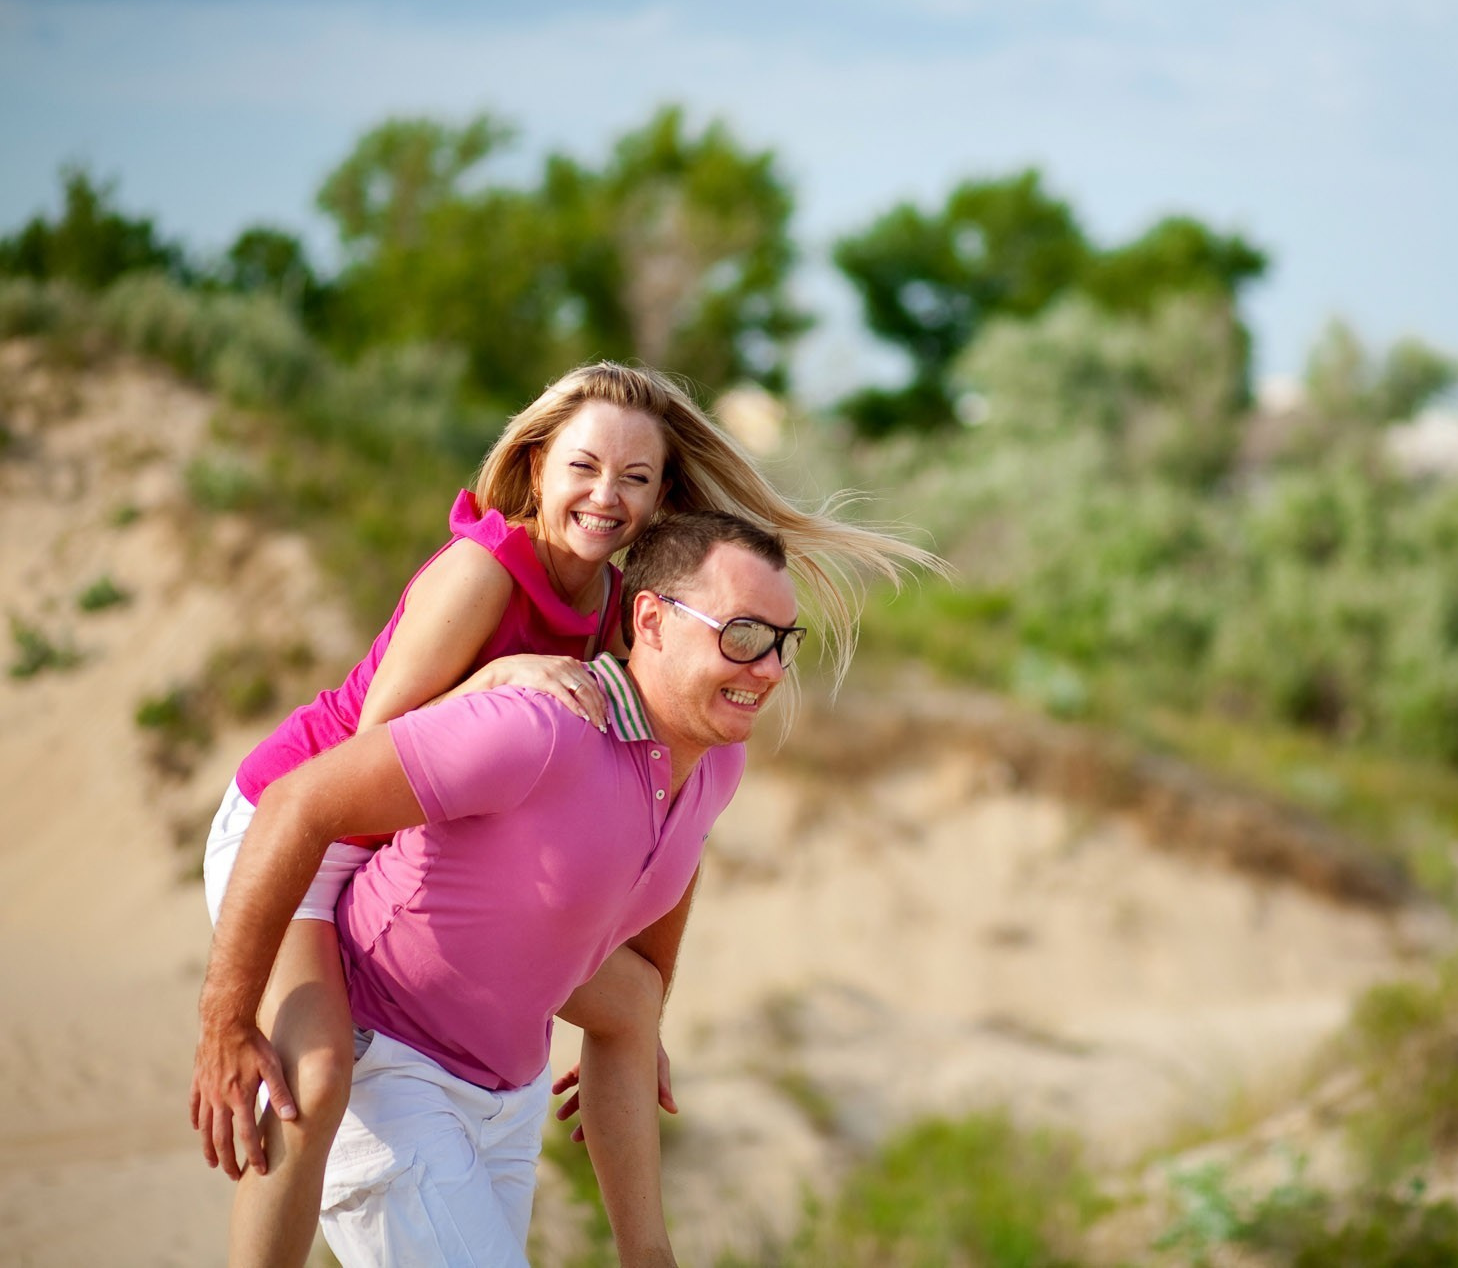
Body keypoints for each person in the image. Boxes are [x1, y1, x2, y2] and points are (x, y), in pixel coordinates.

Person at [195, 361, 931, 1267]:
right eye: (584, 466)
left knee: (611, 991)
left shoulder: (623, 607)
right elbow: (370, 750)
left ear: (662, 495)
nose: (606, 496)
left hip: (410, 833)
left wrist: (639, 1009)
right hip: (300, 816)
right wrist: (493, 680)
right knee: (314, 1075)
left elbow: (664, 804)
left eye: (636, 478)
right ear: (538, 463)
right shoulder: (483, 571)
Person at [195, 512, 799, 1267]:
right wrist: (225, 1018)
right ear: (651, 619)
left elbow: (637, 990)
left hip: (511, 1101)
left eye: (783, 642)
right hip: (388, 1068)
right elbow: (293, 804)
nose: (769, 668)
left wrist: (649, 1251)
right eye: (742, 635)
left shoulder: (714, 764)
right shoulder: (538, 728)